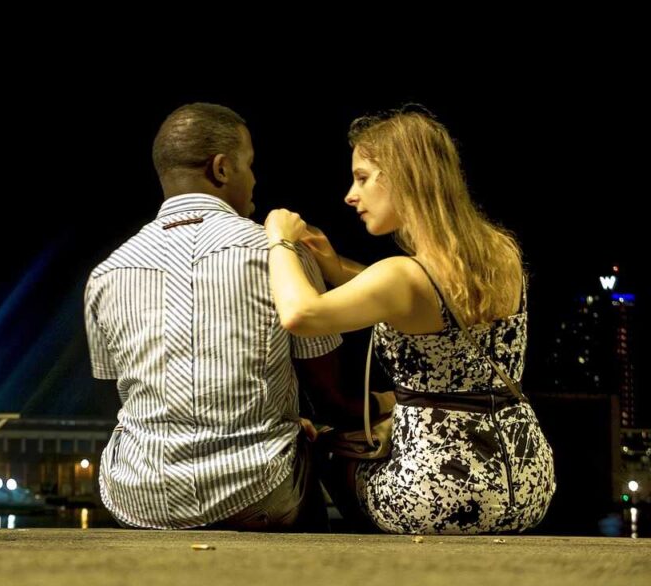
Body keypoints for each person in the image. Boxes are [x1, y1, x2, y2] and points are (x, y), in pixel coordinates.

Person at [264, 104, 555, 534]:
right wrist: (336, 268)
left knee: (324, 448)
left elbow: (300, 314)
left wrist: (280, 241)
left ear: (403, 177)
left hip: (440, 498)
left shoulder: (402, 276)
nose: (350, 194)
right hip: (527, 485)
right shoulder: (501, 252)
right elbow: (431, 300)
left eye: (362, 177)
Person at [84, 102, 342, 531]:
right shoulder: (275, 253)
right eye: (249, 165)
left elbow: (128, 393)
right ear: (222, 169)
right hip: (257, 490)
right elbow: (330, 393)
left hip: (138, 498)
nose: (254, 178)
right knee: (312, 447)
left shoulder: (106, 273)